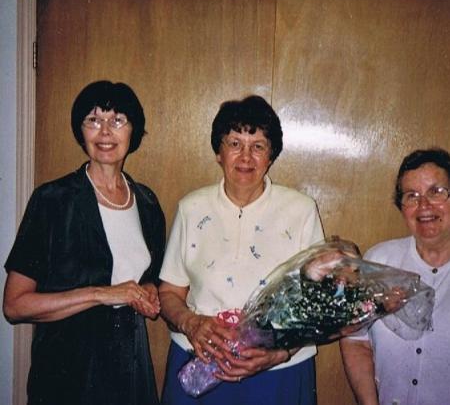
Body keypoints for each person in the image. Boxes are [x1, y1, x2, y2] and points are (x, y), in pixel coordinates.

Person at [3, 80, 165, 405]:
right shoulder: (52, 200)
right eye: (93, 120)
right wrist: (102, 293)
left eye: (117, 120)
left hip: (130, 370)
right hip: (67, 372)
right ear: (81, 132)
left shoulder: (147, 202)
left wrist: (147, 293)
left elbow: (147, 283)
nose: (105, 132)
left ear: (134, 130)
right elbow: (15, 305)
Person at [158, 95, 324, 405]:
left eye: (258, 146)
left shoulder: (301, 210)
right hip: (199, 366)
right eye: (234, 143)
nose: (245, 157)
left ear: (271, 154)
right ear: (218, 152)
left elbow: (316, 306)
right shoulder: (191, 208)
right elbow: (169, 293)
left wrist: (277, 354)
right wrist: (191, 324)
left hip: (278, 372)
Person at [340, 147, 450, 405]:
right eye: (412, 196)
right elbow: (356, 340)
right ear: (401, 207)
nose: (424, 205)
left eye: (437, 192)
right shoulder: (380, 260)